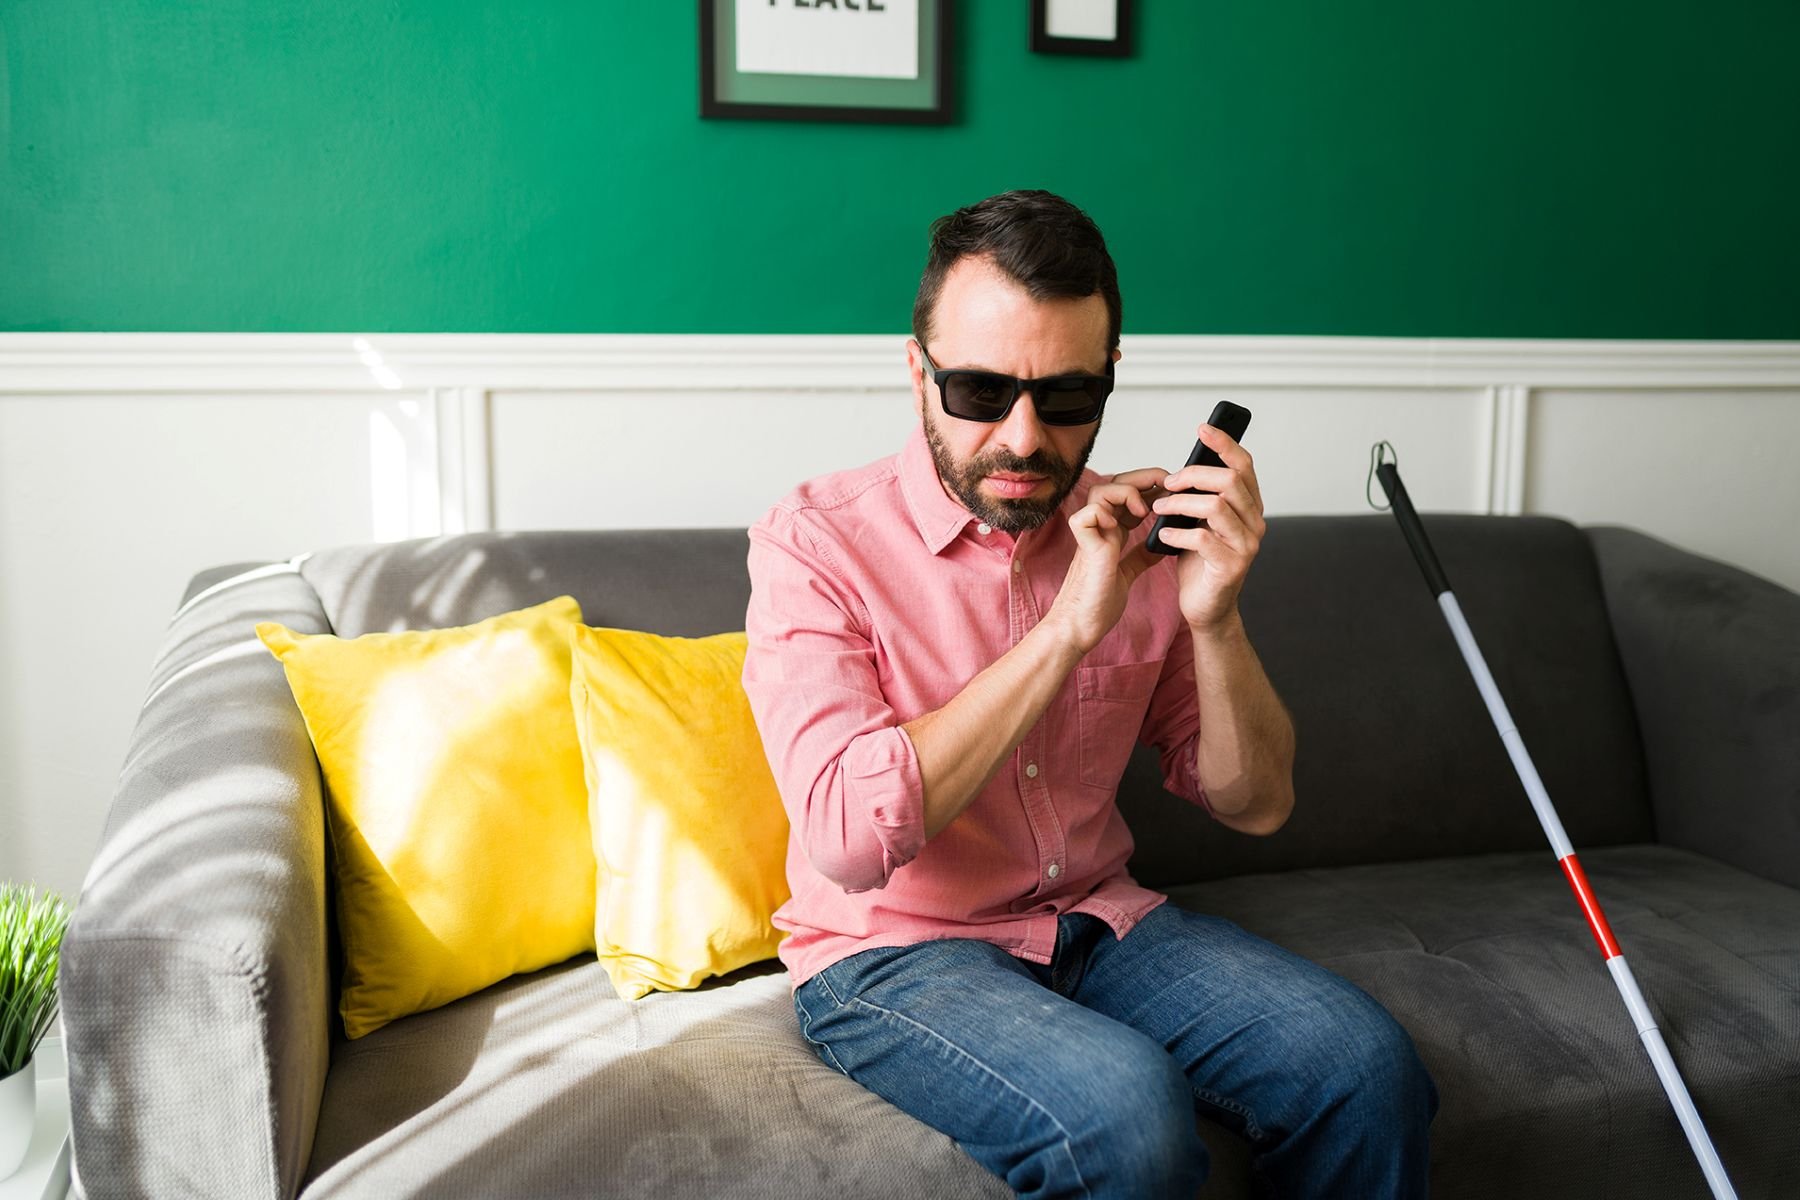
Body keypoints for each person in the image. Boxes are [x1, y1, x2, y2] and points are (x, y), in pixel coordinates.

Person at [742, 189, 1437, 1198]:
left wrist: (1215, 618)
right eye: (981, 391)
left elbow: (1257, 805)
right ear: (918, 372)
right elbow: (848, 840)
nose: (1025, 438)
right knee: (1124, 1115)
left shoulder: (1136, 542)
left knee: (1364, 1069)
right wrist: (1069, 628)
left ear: (1109, 378)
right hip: (893, 951)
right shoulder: (815, 544)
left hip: (1099, 923)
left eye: (1067, 396)